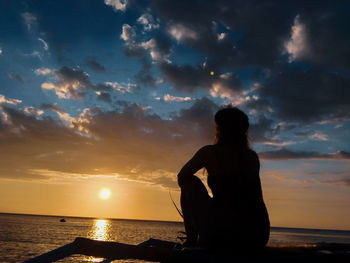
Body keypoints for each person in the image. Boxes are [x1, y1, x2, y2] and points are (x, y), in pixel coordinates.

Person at [177, 106, 270, 249]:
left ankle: (191, 240)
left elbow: (182, 177)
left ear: (220, 129)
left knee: (189, 183)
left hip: (223, 234)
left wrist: (203, 205)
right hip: (258, 235)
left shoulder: (209, 153)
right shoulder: (252, 157)